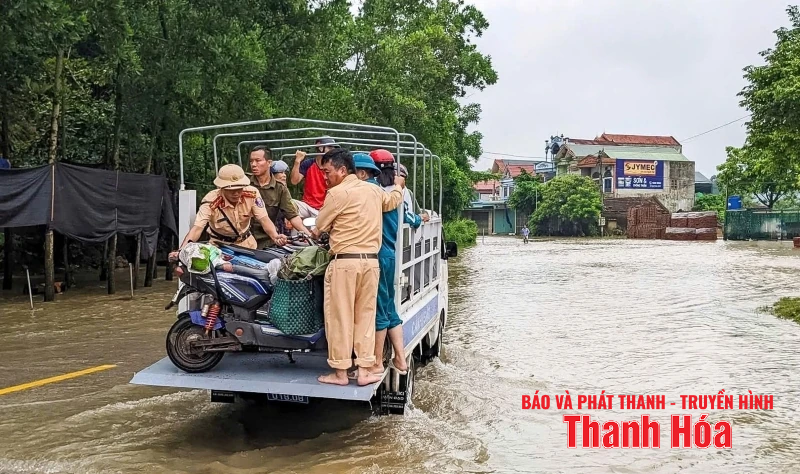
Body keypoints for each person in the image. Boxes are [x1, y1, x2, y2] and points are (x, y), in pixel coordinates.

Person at [312, 148, 406, 386]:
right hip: (371, 263)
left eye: (327, 171)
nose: (325, 176)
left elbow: (319, 226)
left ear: (343, 170)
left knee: (340, 317)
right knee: (365, 316)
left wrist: (315, 231)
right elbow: (393, 200)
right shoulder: (374, 191)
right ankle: (364, 370)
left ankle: (341, 373)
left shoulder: (336, 193)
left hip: (345, 263)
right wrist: (398, 185)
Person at [353, 153, 424, 376]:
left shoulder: (372, 192)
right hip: (389, 254)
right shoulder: (396, 192)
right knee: (390, 308)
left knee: (377, 309)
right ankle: (400, 359)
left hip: (377, 256)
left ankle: (376, 362)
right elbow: (411, 219)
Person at [170, 164, 288, 260]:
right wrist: (181, 251)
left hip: (247, 245)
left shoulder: (252, 194)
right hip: (219, 247)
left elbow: (264, 219)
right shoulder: (211, 201)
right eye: (231, 190)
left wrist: (275, 236)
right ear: (222, 188)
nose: (236, 193)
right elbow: (197, 228)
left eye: (239, 188)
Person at [248, 146, 310, 248]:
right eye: (251, 161)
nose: (254, 164)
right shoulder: (244, 183)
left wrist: (309, 236)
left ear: (269, 163)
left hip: (268, 241)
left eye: (258, 161)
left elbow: (292, 215)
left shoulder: (279, 188)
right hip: (243, 241)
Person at [290, 136, 339, 218]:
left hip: (324, 209)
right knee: (290, 204)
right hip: (307, 206)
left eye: (333, 148)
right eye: (330, 147)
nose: (333, 150)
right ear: (320, 147)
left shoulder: (334, 167)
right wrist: (297, 161)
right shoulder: (308, 164)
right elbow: (294, 181)